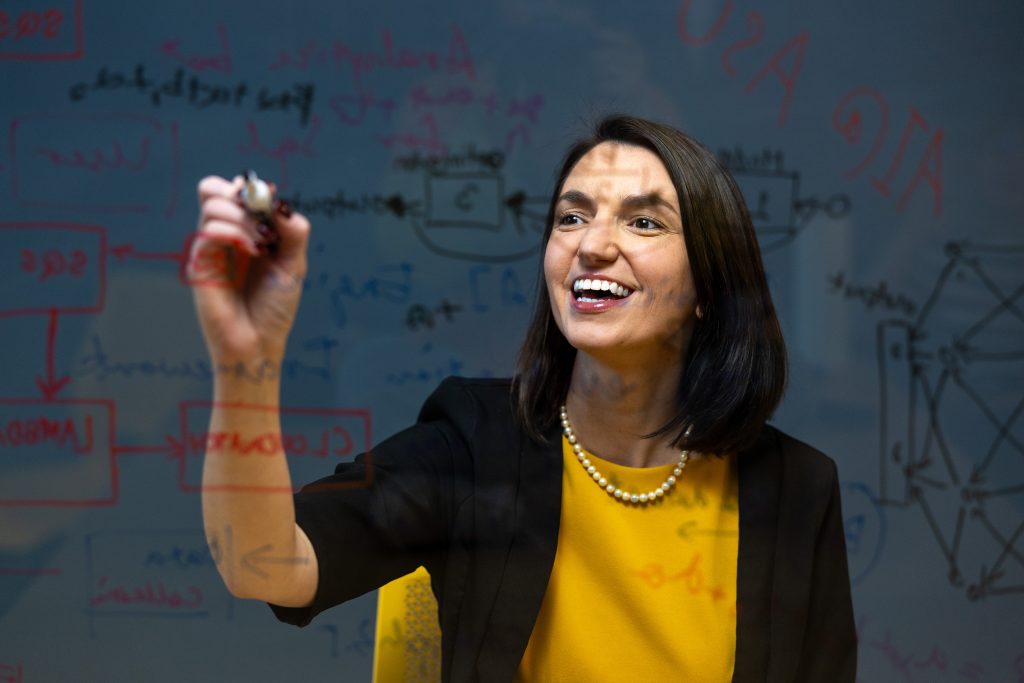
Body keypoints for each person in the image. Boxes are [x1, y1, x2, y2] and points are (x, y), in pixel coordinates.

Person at [192, 115, 857, 682]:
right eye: (572, 216)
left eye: (643, 221)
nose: (592, 245)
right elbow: (265, 566)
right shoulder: (473, 444)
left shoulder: (795, 488)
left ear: (709, 286)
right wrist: (246, 366)